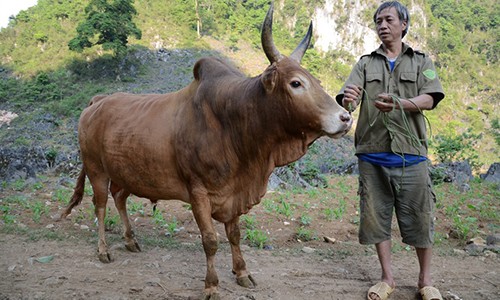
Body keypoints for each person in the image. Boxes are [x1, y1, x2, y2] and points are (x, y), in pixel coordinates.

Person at [335, 2, 445, 300]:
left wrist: (400, 103)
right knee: (375, 216)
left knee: (421, 216)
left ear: (404, 24)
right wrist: (348, 99)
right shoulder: (365, 63)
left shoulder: (422, 61)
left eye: (388, 20)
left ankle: (425, 282)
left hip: (412, 153)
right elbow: (348, 102)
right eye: (378, 21)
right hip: (372, 154)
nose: (383, 25)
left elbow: (430, 98)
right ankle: (387, 279)